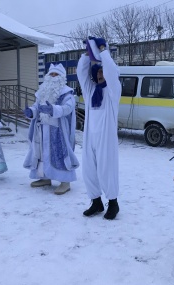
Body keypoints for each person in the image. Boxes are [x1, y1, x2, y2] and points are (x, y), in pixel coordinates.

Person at [77, 36, 121, 220]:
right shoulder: (90, 91)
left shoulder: (112, 92)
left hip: (106, 136)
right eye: (98, 73)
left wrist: (103, 51)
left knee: (106, 169)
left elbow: (112, 72)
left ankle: (113, 203)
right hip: (90, 137)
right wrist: (88, 54)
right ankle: (96, 202)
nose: (101, 75)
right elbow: (81, 72)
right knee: (88, 169)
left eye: (103, 72)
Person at [23, 63, 79, 195]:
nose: (53, 77)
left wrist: (53, 109)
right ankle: (45, 177)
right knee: (42, 154)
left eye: (56, 74)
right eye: (51, 74)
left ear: (62, 77)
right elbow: (37, 107)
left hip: (58, 131)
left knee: (60, 154)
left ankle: (65, 182)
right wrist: (31, 112)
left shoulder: (67, 93)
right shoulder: (42, 91)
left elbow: (68, 108)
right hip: (42, 129)